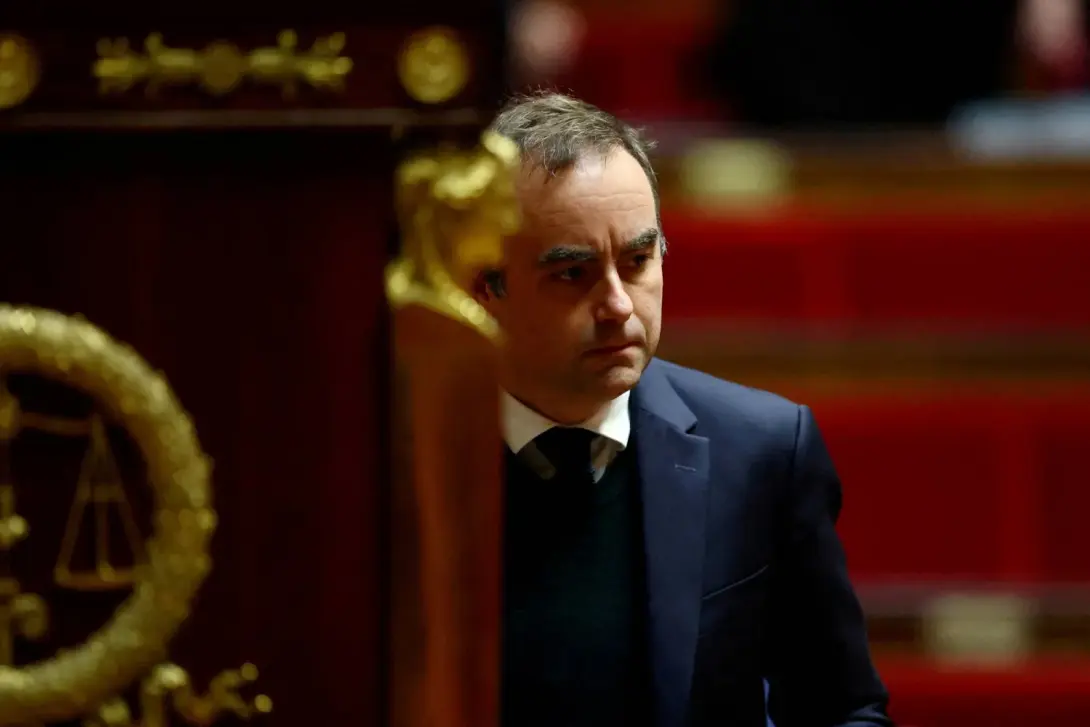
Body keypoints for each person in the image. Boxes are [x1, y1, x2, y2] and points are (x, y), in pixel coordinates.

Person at [474, 92, 894, 727]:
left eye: (638, 261)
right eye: (572, 273)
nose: (619, 305)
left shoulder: (762, 450)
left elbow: (844, 710)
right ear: (486, 287)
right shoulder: (397, 455)